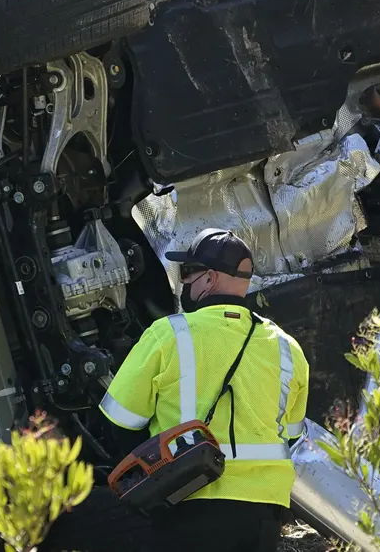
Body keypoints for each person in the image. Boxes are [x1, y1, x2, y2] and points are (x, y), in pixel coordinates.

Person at [99, 228, 310, 552]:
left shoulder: (169, 334)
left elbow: (120, 422)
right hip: (264, 513)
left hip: (187, 501)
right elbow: (291, 435)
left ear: (210, 278)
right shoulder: (287, 347)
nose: (184, 282)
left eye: (187, 273)